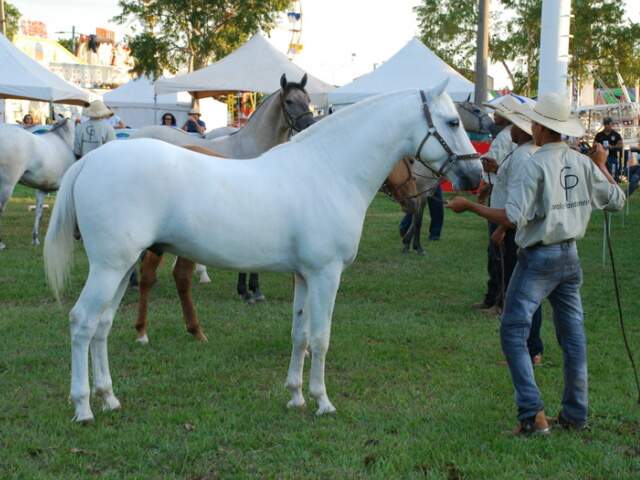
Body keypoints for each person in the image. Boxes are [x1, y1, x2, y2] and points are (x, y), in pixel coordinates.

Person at [447, 92, 625, 435]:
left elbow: (513, 217)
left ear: (539, 127)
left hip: (539, 258)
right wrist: (601, 163)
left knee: (514, 331)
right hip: (570, 257)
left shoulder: (535, 164)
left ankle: (532, 415)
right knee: (573, 337)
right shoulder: (582, 162)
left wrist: (469, 207)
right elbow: (616, 200)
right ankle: (575, 414)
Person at [473, 104, 515, 313]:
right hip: (501, 200)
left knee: (500, 254)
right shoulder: (509, 137)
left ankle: (499, 302)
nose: (494, 115)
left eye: (497, 111)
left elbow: (495, 168)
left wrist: (487, 179)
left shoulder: (505, 138)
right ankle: (492, 298)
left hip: (503, 205)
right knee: (498, 253)